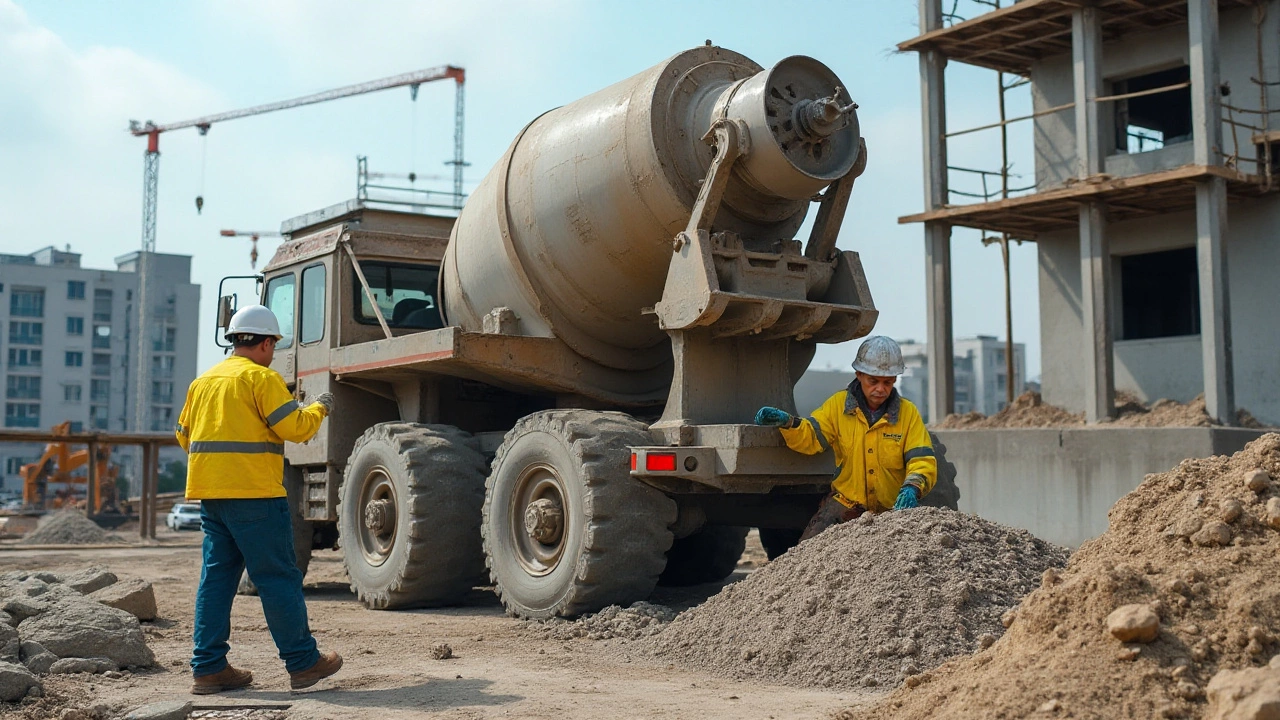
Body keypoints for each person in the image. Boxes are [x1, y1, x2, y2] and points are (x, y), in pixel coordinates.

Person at [175, 304, 343, 694]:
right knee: (277, 578)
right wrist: (319, 406)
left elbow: (184, 436)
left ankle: (208, 669)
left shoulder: (203, 382)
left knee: (216, 580)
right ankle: (303, 664)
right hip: (255, 496)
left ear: (235, 340)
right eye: (274, 345)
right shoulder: (261, 379)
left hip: (212, 497)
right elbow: (296, 428)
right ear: (266, 343)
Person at [754, 336, 937, 542]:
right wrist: (788, 423)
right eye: (873, 381)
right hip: (845, 505)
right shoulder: (837, 406)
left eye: (887, 382)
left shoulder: (908, 413)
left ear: (895, 379)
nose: (880, 389)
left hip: (894, 508)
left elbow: (922, 459)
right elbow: (812, 437)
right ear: (859, 375)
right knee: (809, 552)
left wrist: (912, 487)